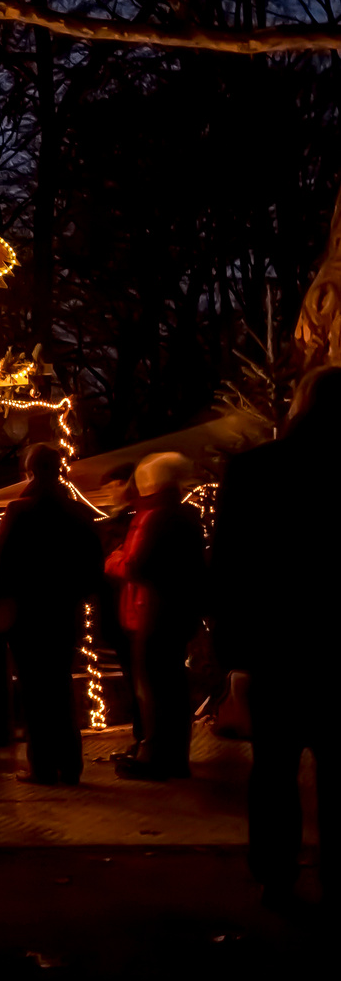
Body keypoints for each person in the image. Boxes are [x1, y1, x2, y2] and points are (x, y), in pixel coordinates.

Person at [214, 366, 341, 908]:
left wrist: (234, 654)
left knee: (273, 769)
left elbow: (229, 569)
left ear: (301, 404)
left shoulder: (254, 471)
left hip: (276, 647)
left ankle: (275, 872)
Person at [0, 444, 106, 785]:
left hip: (27, 614)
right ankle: (70, 763)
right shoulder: (78, 514)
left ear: (30, 471)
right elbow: (92, 567)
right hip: (63, 611)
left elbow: (0, 565)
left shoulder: (19, 511)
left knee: (35, 689)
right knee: (60, 684)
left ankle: (41, 764)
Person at [104, 451, 205, 780]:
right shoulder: (185, 514)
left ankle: (157, 755)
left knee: (153, 686)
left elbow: (136, 564)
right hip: (176, 612)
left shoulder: (153, 517)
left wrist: (113, 560)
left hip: (149, 612)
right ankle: (172, 753)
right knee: (171, 685)